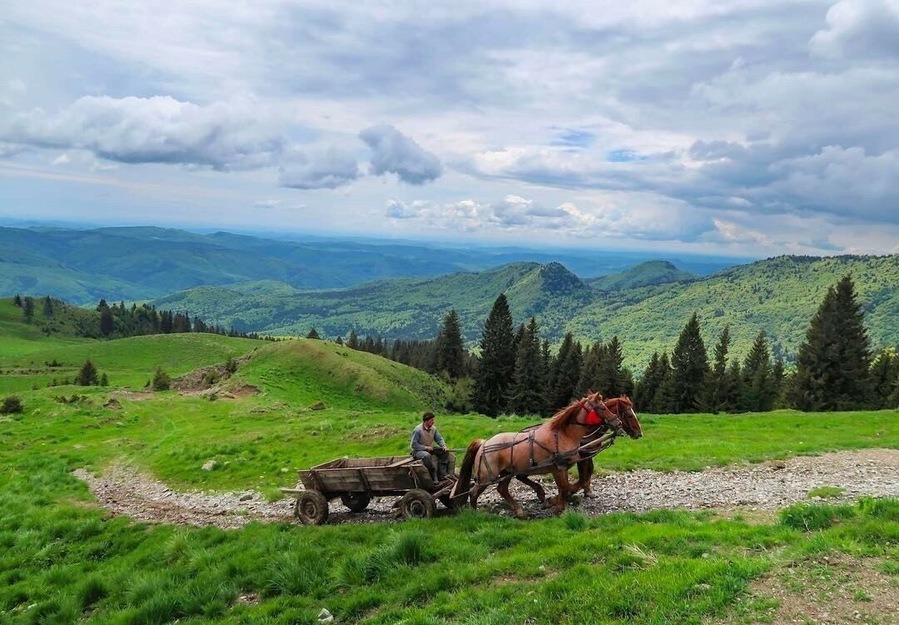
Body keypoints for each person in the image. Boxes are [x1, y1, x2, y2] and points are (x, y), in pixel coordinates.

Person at [410, 411, 451, 482]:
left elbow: (439, 439)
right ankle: (432, 475)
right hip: (418, 451)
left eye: (433, 420)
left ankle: (442, 474)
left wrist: (444, 446)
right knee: (426, 456)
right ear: (426, 421)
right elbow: (413, 445)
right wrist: (425, 448)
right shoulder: (418, 430)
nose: (433, 422)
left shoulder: (433, 429)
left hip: (429, 448)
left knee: (444, 452)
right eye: (432, 420)